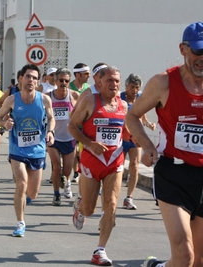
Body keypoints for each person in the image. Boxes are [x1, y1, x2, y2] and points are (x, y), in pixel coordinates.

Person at [127, 22, 203, 267]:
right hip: (174, 173)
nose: (202, 59)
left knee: (199, 260)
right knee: (184, 255)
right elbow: (132, 116)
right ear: (183, 49)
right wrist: (147, 146)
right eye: (198, 52)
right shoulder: (163, 83)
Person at [68, 66, 127, 265]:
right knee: (90, 209)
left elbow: (125, 132)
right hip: (92, 161)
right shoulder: (90, 101)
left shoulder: (123, 105)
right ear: (99, 83)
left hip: (115, 162)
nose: (114, 84)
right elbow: (72, 126)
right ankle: (81, 207)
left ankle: (100, 250)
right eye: (110, 80)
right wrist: (89, 144)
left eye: (117, 81)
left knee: (111, 204)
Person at [0, 63, 55, 237]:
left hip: (37, 149)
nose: (31, 80)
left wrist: (50, 131)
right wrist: (5, 123)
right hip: (18, 148)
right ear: (21, 79)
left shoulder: (44, 100)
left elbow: (51, 119)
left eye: (35, 77)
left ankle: (22, 200)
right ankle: (20, 222)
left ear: (38, 81)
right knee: (21, 183)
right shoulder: (12, 100)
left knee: (33, 192)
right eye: (28, 76)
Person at [120, 73, 156, 210]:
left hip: (136, 138)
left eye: (137, 87)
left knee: (134, 166)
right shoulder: (120, 98)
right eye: (132, 87)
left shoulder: (140, 98)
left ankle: (129, 198)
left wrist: (148, 124)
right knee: (118, 168)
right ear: (126, 86)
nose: (134, 90)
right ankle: (111, 191)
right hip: (121, 138)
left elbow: (142, 116)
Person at [47, 68, 78, 205]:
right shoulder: (48, 96)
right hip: (53, 137)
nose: (63, 83)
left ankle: (67, 182)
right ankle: (56, 194)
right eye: (61, 80)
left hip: (69, 138)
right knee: (56, 166)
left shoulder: (74, 96)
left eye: (66, 81)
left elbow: (80, 115)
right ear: (55, 81)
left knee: (66, 170)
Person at [70, 63, 91, 183]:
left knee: (82, 151)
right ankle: (75, 172)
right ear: (78, 75)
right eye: (86, 74)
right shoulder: (69, 87)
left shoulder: (89, 89)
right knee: (74, 151)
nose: (89, 76)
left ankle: (81, 170)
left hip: (85, 125)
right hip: (73, 124)